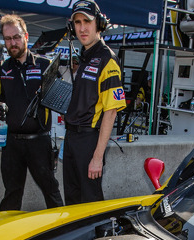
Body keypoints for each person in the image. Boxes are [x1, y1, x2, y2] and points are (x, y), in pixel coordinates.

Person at [0, 15, 63, 211]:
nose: (13, 42)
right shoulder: (0, 67)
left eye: (16, 37)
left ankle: (64, 234)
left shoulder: (45, 64)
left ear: (26, 36)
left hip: (39, 141)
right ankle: (8, 237)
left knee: (51, 190)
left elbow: (61, 96)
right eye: (8, 38)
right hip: (11, 143)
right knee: (12, 193)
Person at [63, 0, 126, 204]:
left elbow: (111, 112)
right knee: (72, 200)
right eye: (77, 22)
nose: (82, 28)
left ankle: (98, 237)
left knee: (90, 203)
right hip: (72, 138)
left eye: (87, 22)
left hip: (89, 142)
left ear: (98, 24)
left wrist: (97, 157)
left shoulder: (107, 59)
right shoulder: (84, 57)